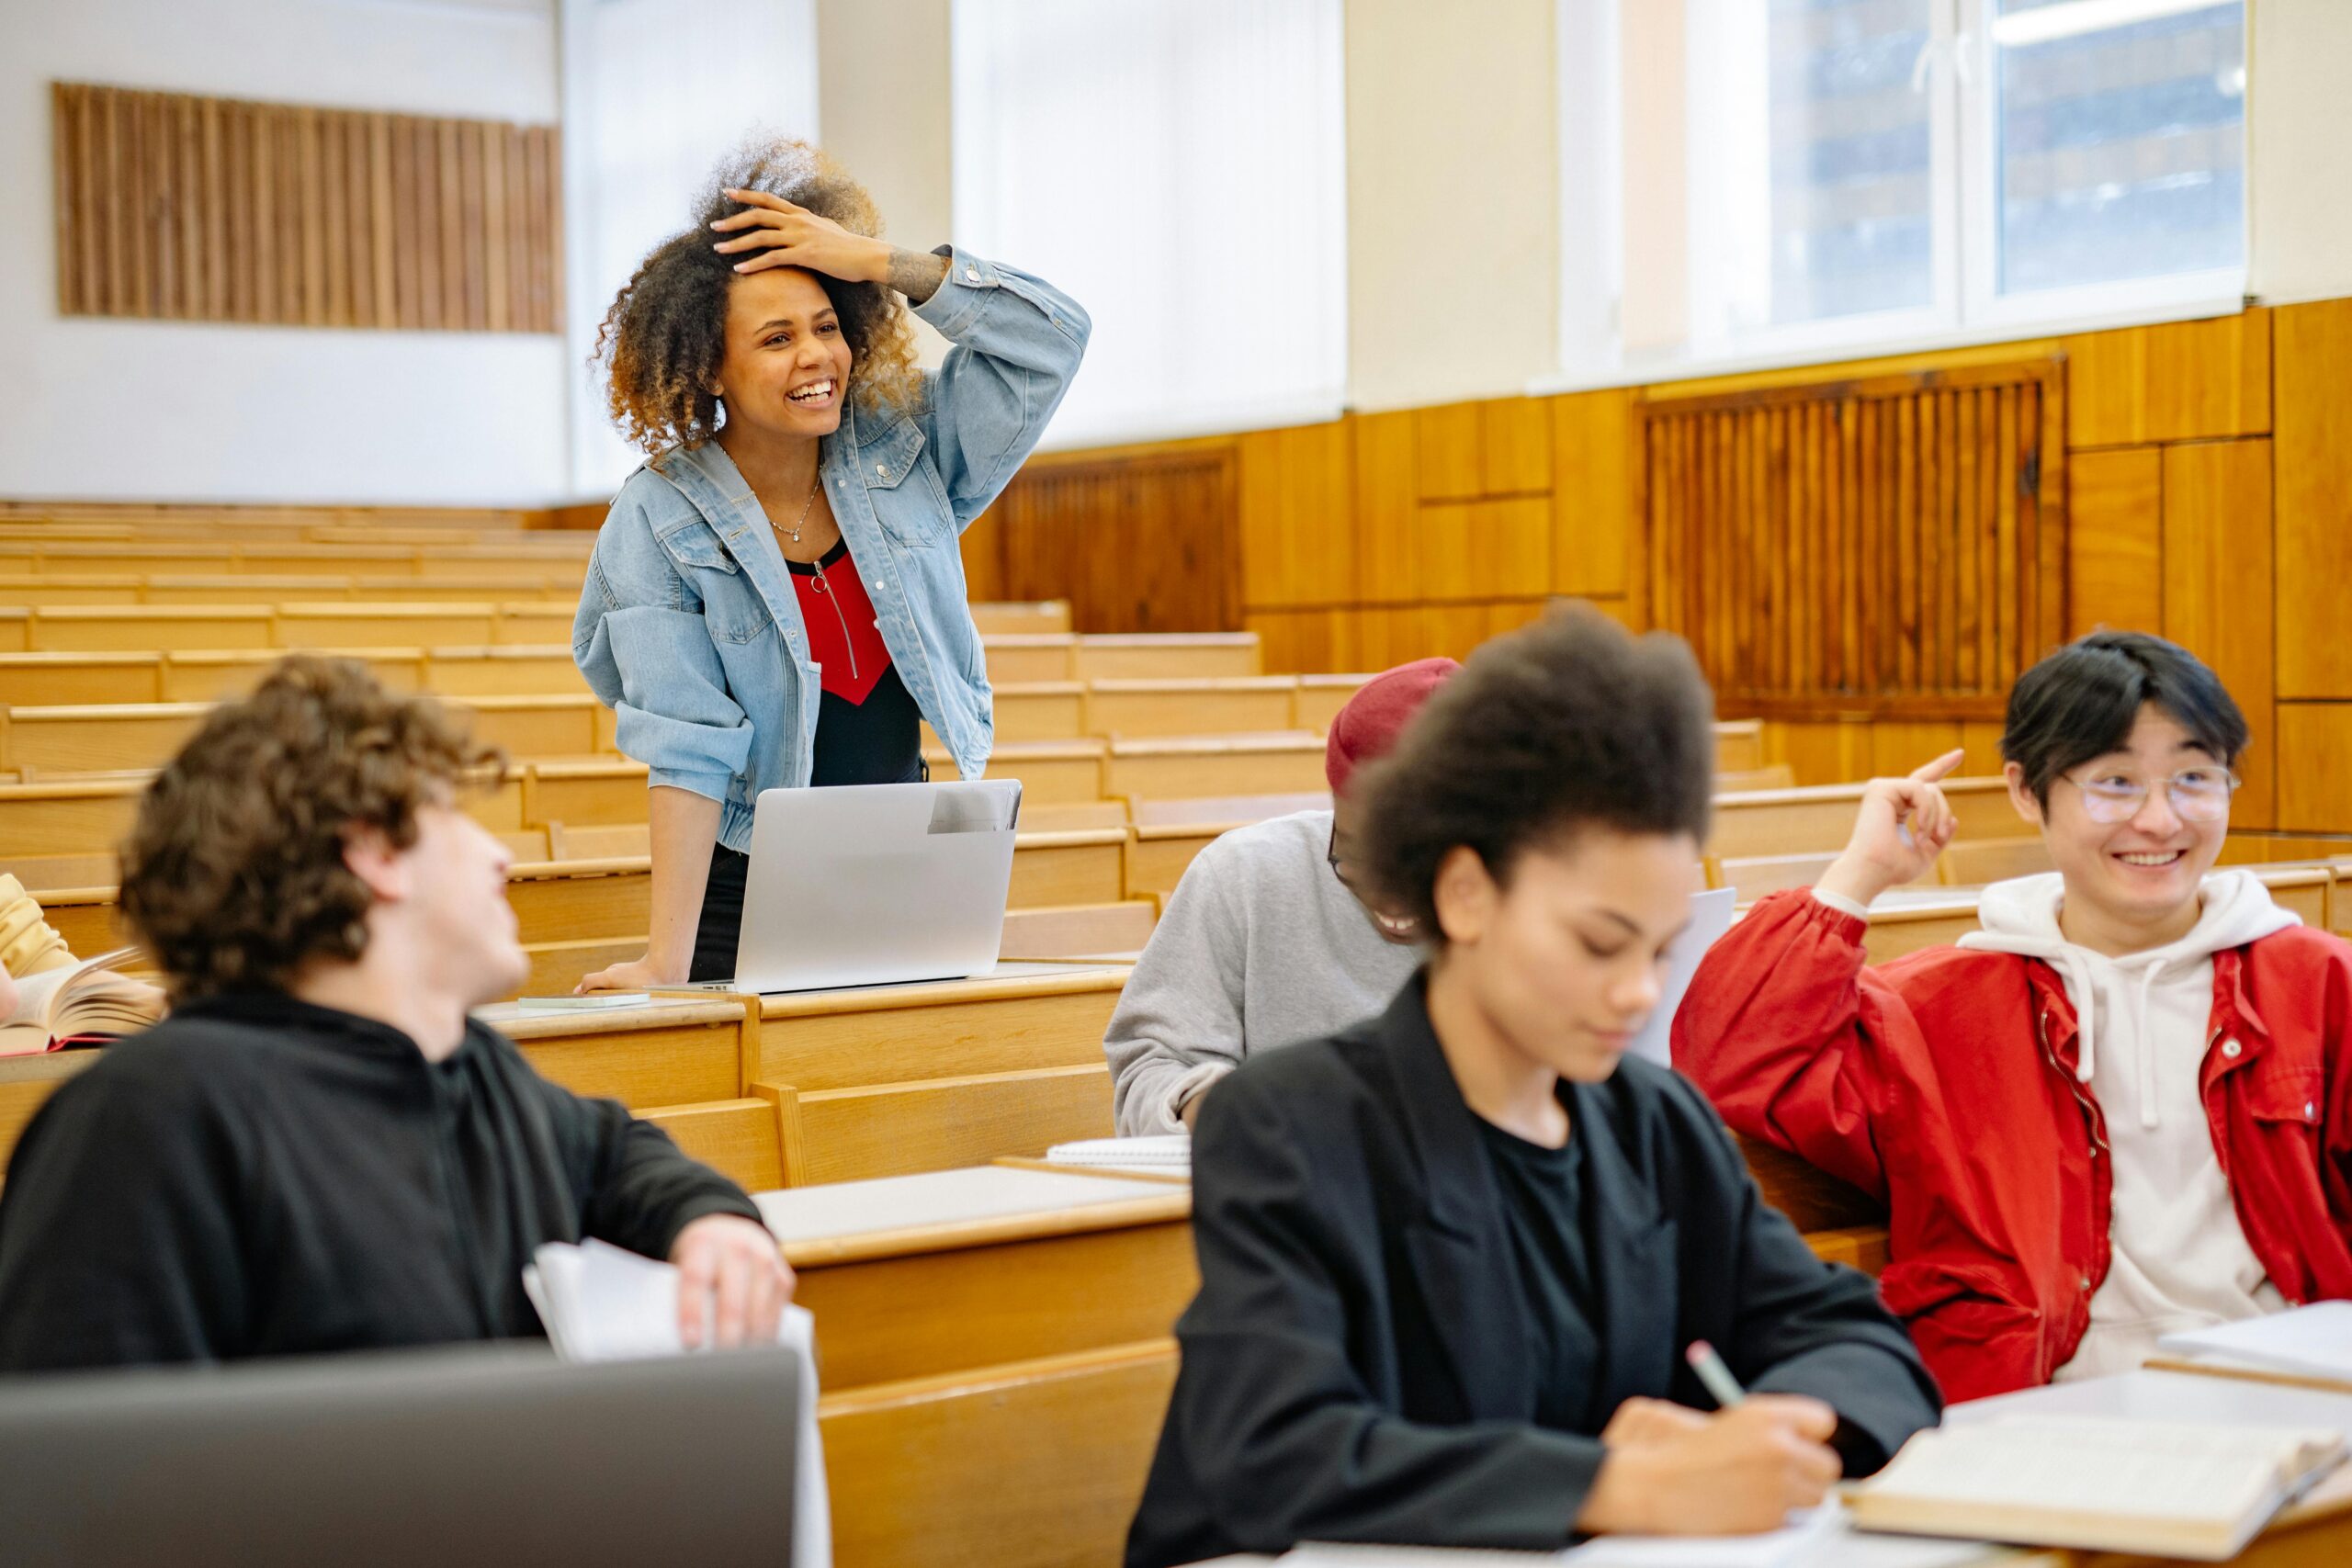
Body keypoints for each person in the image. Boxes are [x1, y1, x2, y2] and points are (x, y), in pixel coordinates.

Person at [1125, 609, 1939, 1566]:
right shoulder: (1292, 1123)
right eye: (1598, 944)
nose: (1637, 994)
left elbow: (1855, 1338)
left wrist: (1785, 1432)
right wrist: (1618, 1485)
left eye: (1658, 949)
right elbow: (1272, 1449)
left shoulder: (1652, 1119)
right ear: (1465, 894)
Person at [0, 658, 792, 1371]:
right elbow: (86, 1484)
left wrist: (709, 1220)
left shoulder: (470, 1069)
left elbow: (613, 1152)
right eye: (453, 816)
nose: (500, 856)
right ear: (373, 850)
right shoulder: (148, 1118)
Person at [1674, 630, 2352, 1402]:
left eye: (2195, 778)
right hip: (2031, 1403)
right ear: (2028, 791)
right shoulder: (1943, 1009)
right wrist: (1859, 874)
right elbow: (1732, 1058)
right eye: (2116, 783)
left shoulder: (2317, 984)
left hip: (2289, 1391)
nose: (2161, 820)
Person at [571, 138, 1088, 988]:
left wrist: (878, 263)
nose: (817, 357)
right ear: (709, 369)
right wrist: (664, 964)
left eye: (826, 326)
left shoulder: (906, 447)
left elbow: (1052, 341)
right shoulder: (658, 518)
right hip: (745, 896)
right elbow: (687, 750)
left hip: (912, 866)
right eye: (776, 338)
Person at [1103, 658, 1454, 1135]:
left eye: (1417, 870)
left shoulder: (1531, 910)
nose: (1390, 902)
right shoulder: (1241, 875)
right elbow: (1150, 1067)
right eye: (1356, 857)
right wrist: (1220, 1109)